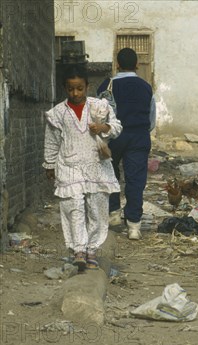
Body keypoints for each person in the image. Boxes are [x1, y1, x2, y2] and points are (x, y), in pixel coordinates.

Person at [43, 64, 122, 270]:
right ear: (65, 89)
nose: (75, 93)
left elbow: (117, 127)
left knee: (96, 208)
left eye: (79, 88)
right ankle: (78, 250)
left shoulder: (99, 107)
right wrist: (50, 164)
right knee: (74, 206)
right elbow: (51, 141)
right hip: (69, 165)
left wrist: (103, 127)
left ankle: (92, 250)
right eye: (70, 89)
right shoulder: (58, 113)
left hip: (96, 165)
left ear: (87, 86)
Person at [97, 48, 156, 240]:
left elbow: (99, 115)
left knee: (110, 173)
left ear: (117, 63)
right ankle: (134, 226)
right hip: (139, 136)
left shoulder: (106, 86)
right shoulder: (146, 87)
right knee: (135, 180)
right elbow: (152, 118)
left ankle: (113, 214)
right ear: (137, 65)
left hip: (113, 138)